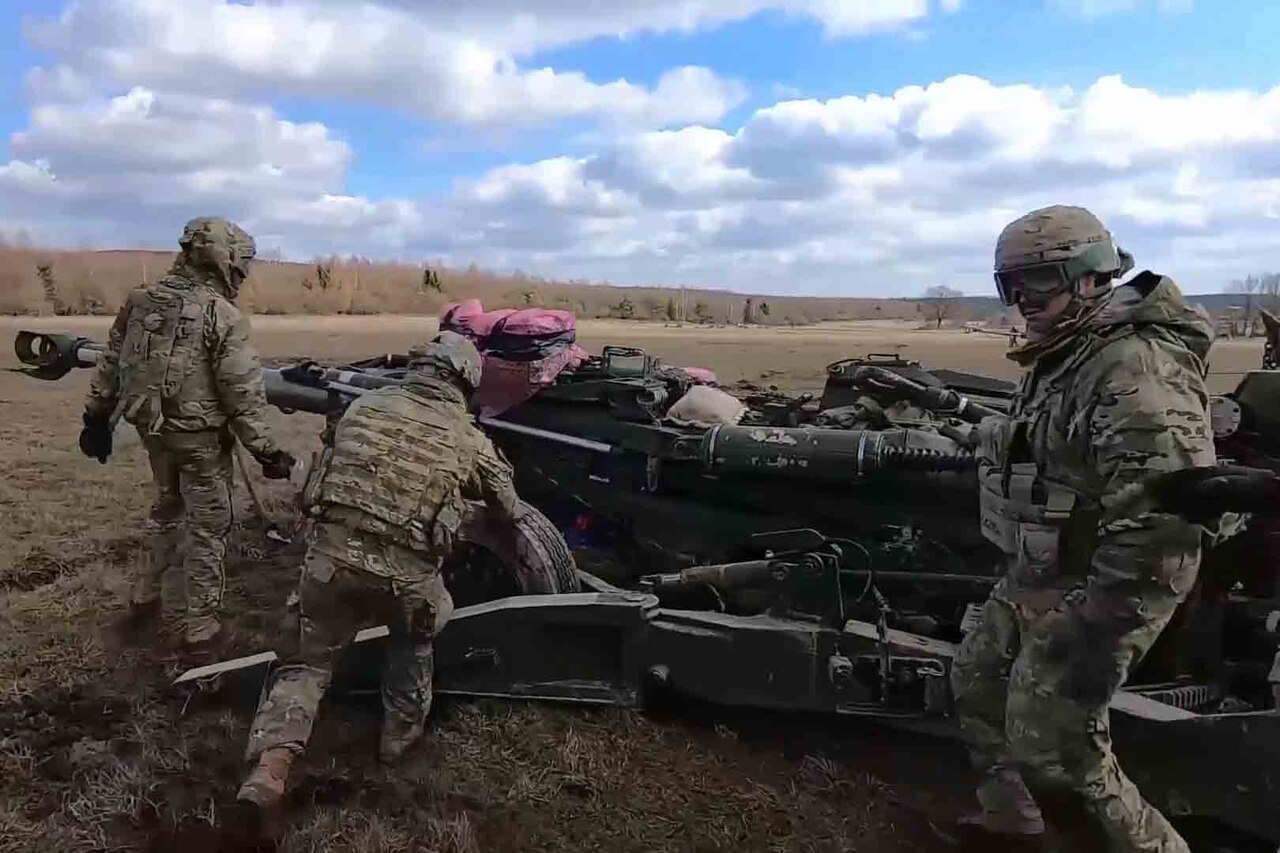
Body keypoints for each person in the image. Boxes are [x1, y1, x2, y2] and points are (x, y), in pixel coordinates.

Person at [949, 205, 1217, 852]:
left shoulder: (1132, 367)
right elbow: (1042, 443)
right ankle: (1013, 822)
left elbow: (1161, 521)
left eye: (1037, 283)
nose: (1021, 301)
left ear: (1091, 277)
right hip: (1048, 565)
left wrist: (1090, 617)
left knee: (1062, 743)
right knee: (978, 680)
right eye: (1009, 286)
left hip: (1115, 577)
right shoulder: (1068, 354)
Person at [235, 331, 522, 811]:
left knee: (305, 665)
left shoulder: (362, 409)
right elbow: (509, 507)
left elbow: (322, 472)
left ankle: (270, 769)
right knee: (413, 646)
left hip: (329, 567)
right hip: (405, 584)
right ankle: (397, 750)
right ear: (465, 382)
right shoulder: (468, 438)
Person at [79, 217, 295, 649]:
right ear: (224, 260)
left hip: (153, 432)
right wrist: (268, 452)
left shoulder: (141, 301)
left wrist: (96, 417)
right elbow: (242, 394)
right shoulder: (222, 314)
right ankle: (201, 628)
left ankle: (144, 598)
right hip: (200, 442)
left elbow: (110, 361)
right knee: (209, 526)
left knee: (165, 508)